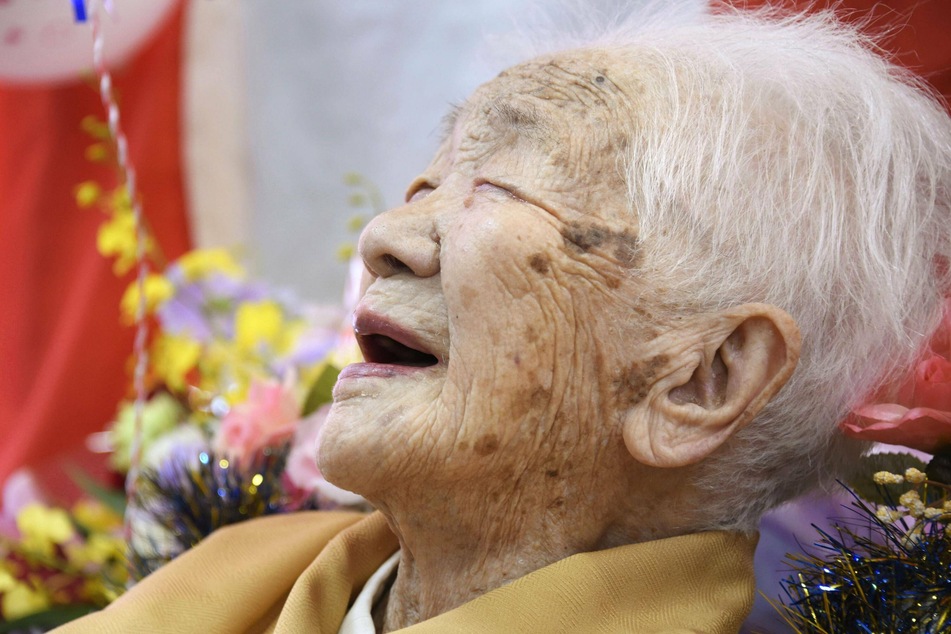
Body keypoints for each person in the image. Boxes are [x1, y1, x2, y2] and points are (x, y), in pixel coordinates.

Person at [56, 5, 951, 633]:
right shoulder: (219, 591)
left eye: (496, 188)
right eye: (425, 184)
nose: (383, 238)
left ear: (698, 378)